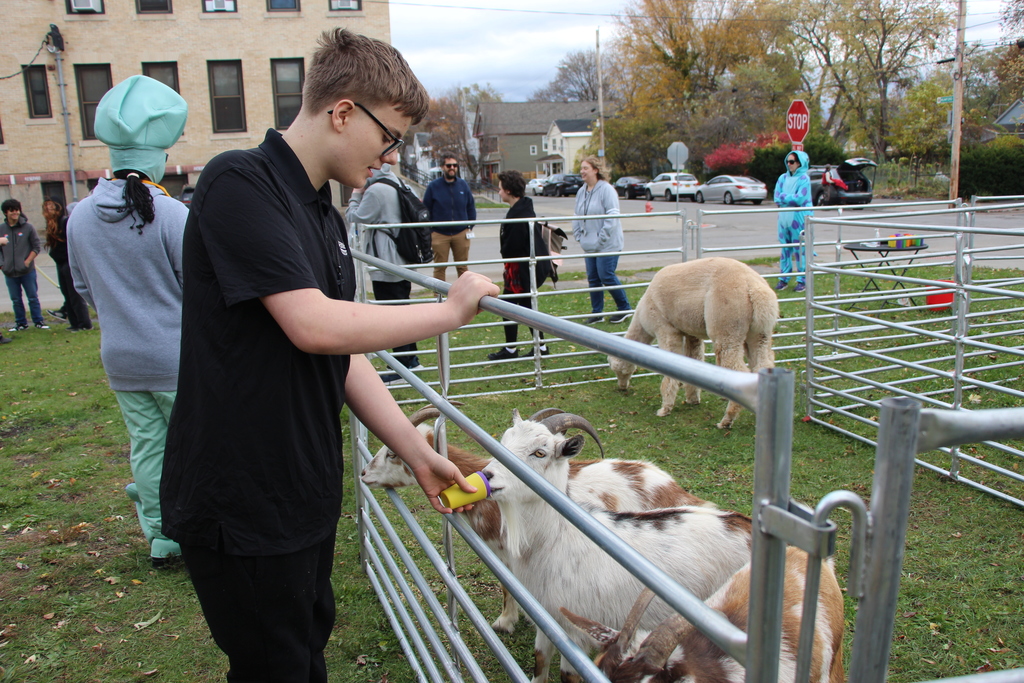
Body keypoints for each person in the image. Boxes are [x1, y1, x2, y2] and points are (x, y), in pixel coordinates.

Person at [159, 29, 498, 683]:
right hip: (243, 495)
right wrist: (448, 312)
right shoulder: (239, 183)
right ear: (343, 112)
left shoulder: (322, 213)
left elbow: (342, 352)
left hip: (299, 488)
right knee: (275, 666)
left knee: (303, 649)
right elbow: (312, 325)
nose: (391, 155)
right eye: (389, 136)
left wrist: (414, 449)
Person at [67, 75, 189, 567]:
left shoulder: (79, 216)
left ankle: (162, 536)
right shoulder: (172, 214)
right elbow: (197, 287)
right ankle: (195, 524)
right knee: (191, 447)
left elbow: (81, 288)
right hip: (175, 355)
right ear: (159, 155)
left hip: (120, 355)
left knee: (147, 447)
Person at [347, 164, 425, 383]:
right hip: (402, 256)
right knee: (402, 308)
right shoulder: (398, 183)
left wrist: (355, 195)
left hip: (386, 258)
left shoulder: (376, 190)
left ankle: (402, 366)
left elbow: (355, 216)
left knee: (392, 313)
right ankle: (411, 360)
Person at [489, 169, 553, 360]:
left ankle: (519, 348)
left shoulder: (520, 215)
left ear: (509, 190)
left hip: (521, 269)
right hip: (519, 268)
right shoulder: (521, 209)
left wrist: (506, 255)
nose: (499, 191)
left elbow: (513, 246)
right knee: (522, 306)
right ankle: (535, 347)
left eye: (501, 188)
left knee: (512, 306)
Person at [573, 155, 630, 324]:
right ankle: (597, 312)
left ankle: (624, 308)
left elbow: (613, 214)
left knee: (606, 275)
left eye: (585, 168)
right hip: (589, 244)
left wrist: (602, 237)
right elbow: (576, 214)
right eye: (581, 168)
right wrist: (578, 235)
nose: (582, 171)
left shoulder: (606, 190)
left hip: (608, 244)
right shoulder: (582, 191)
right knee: (593, 278)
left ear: (595, 170)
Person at [422, 153, 475, 281]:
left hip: (461, 233)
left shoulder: (463, 185)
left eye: (455, 165)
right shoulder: (433, 186)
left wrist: (469, 226)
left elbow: (470, 207)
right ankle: (439, 293)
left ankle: (464, 292)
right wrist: (431, 230)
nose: (452, 168)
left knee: (462, 267)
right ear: (442, 167)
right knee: (440, 268)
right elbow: (426, 210)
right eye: (449, 165)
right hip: (439, 233)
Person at [43, 197, 92, 332]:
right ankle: (74, 322)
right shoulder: (52, 225)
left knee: (74, 294)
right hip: (60, 262)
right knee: (66, 293)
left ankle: (84, 323)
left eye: (51, 206)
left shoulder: (65, 222)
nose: (48, 209)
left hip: (68, 261)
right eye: (46, 206)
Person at [1, 199, 49, 332]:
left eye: (17, 210)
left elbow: (36, 247)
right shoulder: (1, 229)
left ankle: (38, 321)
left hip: (27, 271)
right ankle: (21, 323)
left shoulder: (28, 228)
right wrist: (2, 265)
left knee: (32, 297)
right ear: (6, 212)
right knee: (16, 299)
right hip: (9, 272)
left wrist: (27, 261)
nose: (15, 213)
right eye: (12, 210)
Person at [774, 150, 813, 293]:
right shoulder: (782, 178)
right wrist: (789, 198)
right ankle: (783, 278)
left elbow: (800, 199)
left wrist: (784, 197)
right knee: (785, 249)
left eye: (792, 162)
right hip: (784, 218)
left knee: (800, 249)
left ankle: (802, 280)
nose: (789, 164)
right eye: (788, 161)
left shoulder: (804, 179)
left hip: (799, 218)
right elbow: (776, 197)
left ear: (799, 163)